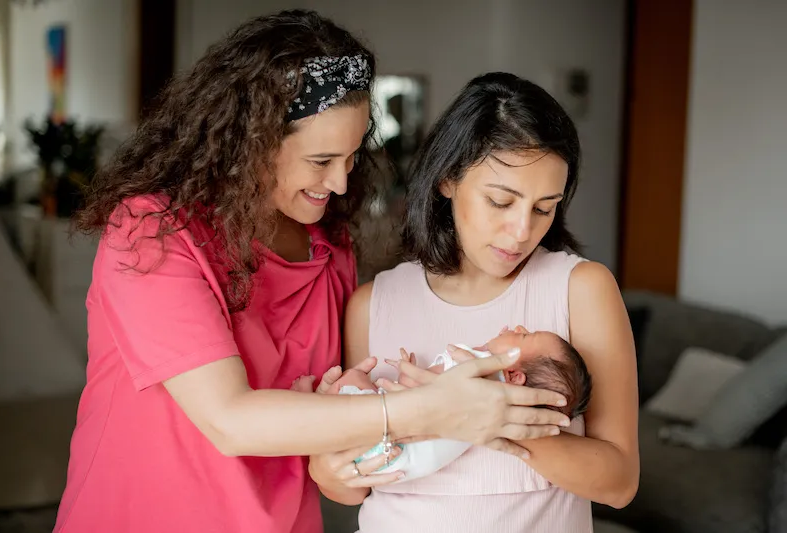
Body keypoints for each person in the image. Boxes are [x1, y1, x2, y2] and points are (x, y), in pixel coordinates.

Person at [52, 11, 573, 533]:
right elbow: (231, 420)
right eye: (321, 160)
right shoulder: (154, 233)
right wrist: (434, 410)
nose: (342, 184)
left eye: (351, 158)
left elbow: (335, 427)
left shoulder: (330, 246)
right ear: (250, 143)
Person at [314, 72, 639, 532]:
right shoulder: (375, 304)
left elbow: (620, 483)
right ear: (448, 179)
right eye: (501, 201)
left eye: (544, 207)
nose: (522, 230)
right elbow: (350, 487)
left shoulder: (580, 289)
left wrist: (487, 416)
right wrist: (326, 469)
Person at [310, 326, 592, 483]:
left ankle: (307, 401)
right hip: (394, 466)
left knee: (353, 378)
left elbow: (416, 392)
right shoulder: (491, 413)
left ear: (514, 375)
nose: (518, 327)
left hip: (376, 447)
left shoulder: (470, 365)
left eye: (524, 336)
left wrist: (407, 371)